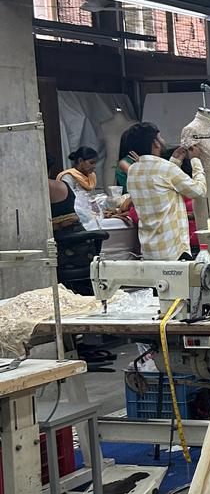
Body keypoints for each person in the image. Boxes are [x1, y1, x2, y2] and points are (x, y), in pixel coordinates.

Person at [48, 157, 109, 369]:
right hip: (81, 246)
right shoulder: (62, 184)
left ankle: (74, 343)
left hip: (69, 251)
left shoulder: (42, 189)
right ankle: (83, 342)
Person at [122, 121, 207, 260]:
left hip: (150, 250)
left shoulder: (133, 170)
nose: (163, 141)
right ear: (155, 143)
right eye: (160, 138)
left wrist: (174, 161)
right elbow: (199, 191)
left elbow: (160, 185)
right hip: (174, 250)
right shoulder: (165, 168)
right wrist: (196, 161)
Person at [58, 145, 102, 232]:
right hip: (74, 219)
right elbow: (68, 201)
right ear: (80, 161)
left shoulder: (91, 176)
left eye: (95, 163)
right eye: (91, 163)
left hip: (91, 215)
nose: (94, 166)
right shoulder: (68, 177)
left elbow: (91, 198)